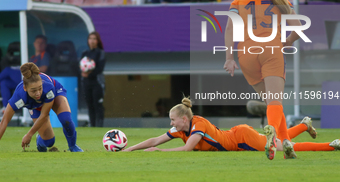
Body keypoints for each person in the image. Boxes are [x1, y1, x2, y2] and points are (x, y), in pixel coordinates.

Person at [223, 0, 303, 160]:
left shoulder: (238, 1)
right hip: (271, 51)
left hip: (246, 53)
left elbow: (229, 30)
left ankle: (286, 144)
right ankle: (272, 134)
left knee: (271, 103)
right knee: (275, 103)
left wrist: (229, 58)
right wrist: (288, 41)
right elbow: (299, 28)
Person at [123, 97, 340, 153]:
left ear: (184, 119)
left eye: (172, 120)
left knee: (283, 147)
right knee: (280, 141)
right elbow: (154, 139)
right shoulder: (181, 129)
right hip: (238, 134)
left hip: (242, 140)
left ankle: (331, 145)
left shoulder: (198, 125)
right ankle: (303, 125)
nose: (170, 124)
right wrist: (131, 148)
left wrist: (159, 150)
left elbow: (188, 149)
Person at [0, 63, 83, 152]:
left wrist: (29, 134)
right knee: (49, 142)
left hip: (55, 92)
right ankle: (39, 141)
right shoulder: (19, 97)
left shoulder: (48, 88)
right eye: (33, 90)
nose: (38, 93)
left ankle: (72, 146)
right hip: (34, 106)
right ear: (25, 88)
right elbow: (4, 121)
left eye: (40, 88)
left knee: (66, 120)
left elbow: (44, 115)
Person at [81, 32, 106, 127]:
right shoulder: (85, 53)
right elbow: (81, 66)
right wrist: (83, 73)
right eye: (90, 38)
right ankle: (92, 125)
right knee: (90, 105)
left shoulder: (100, 53)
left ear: (97, 41)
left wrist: (89, 74)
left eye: (94, 39)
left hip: (97, 83)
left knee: (97, 105)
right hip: (86, 83)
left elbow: (100, 68)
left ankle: (99, 126)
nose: (92, 41)